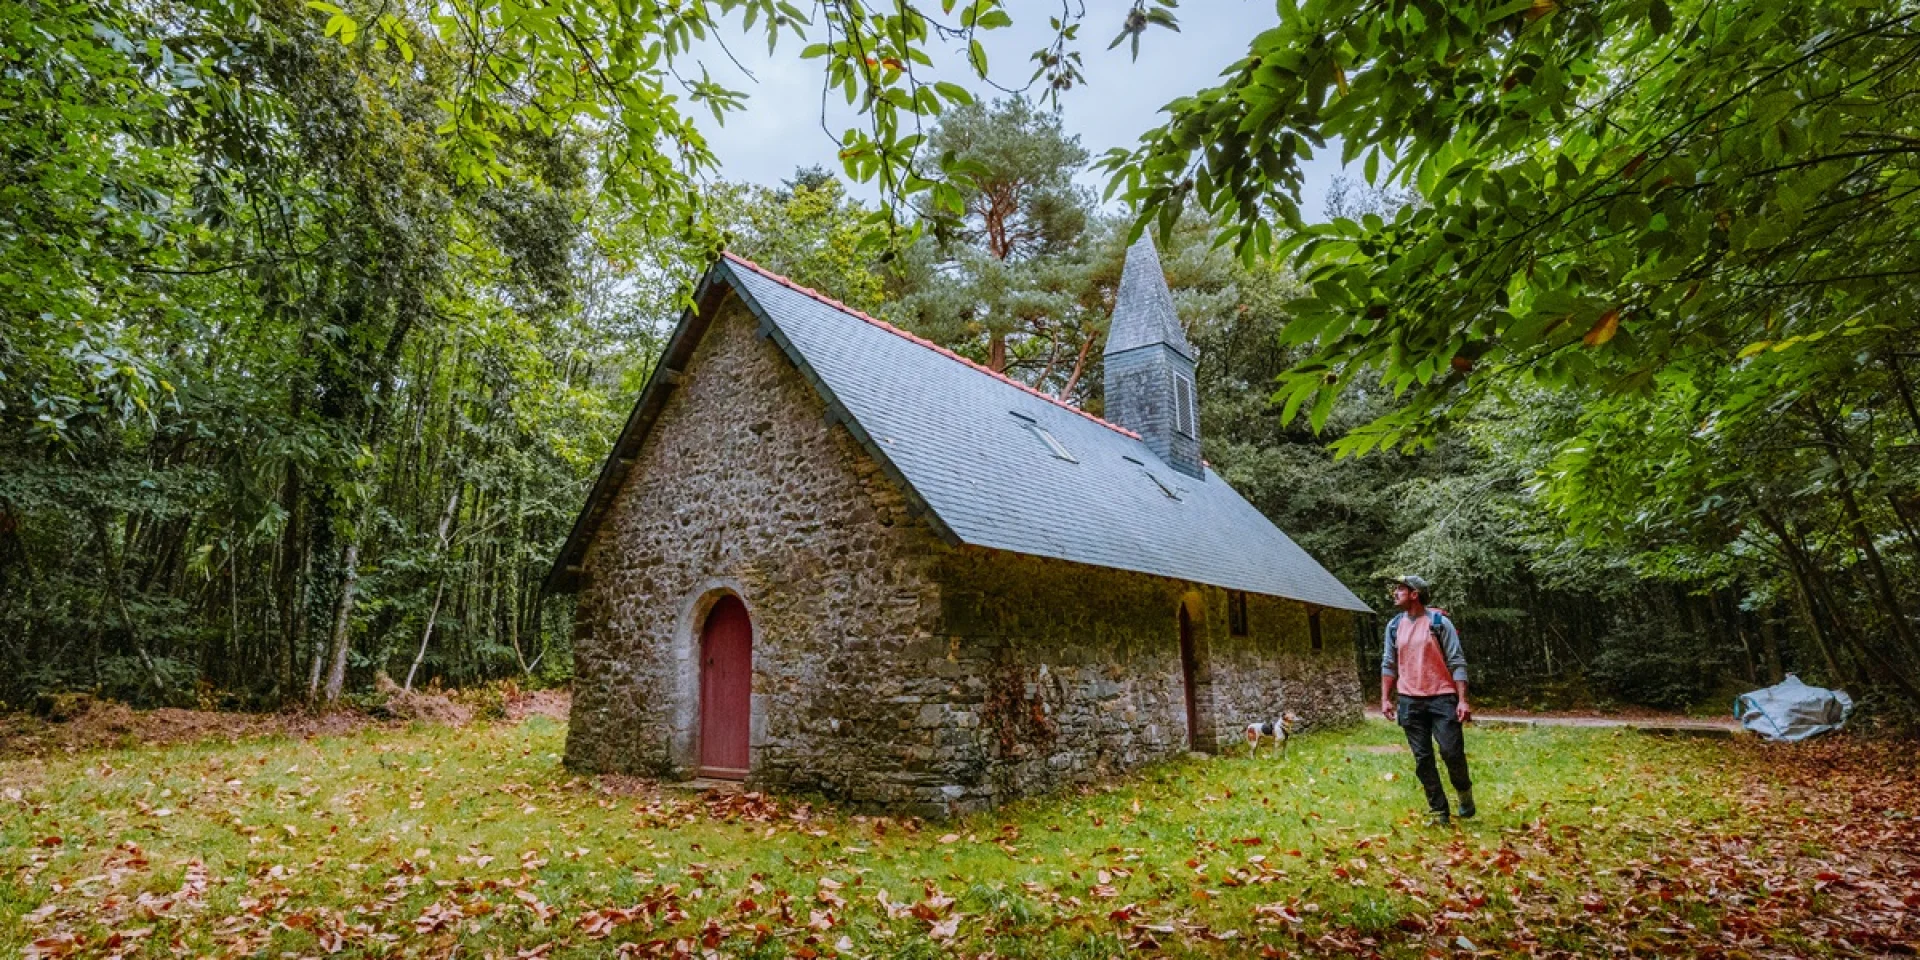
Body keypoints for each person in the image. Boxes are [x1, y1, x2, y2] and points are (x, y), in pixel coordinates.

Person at [1379, 575, 1475, 825]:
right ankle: (1439, 810)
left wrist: (1463, 700)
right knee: (1423, 758)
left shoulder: (1439, 622)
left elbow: (1456, 661)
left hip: (1442, 697)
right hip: (1410, 700)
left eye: (1400, 588)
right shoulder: (1393, 625)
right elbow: (1388, 663)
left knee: (1451, 752)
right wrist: (1385, 698)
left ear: (1415, 594)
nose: (1395, 593)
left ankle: (1464, 794)